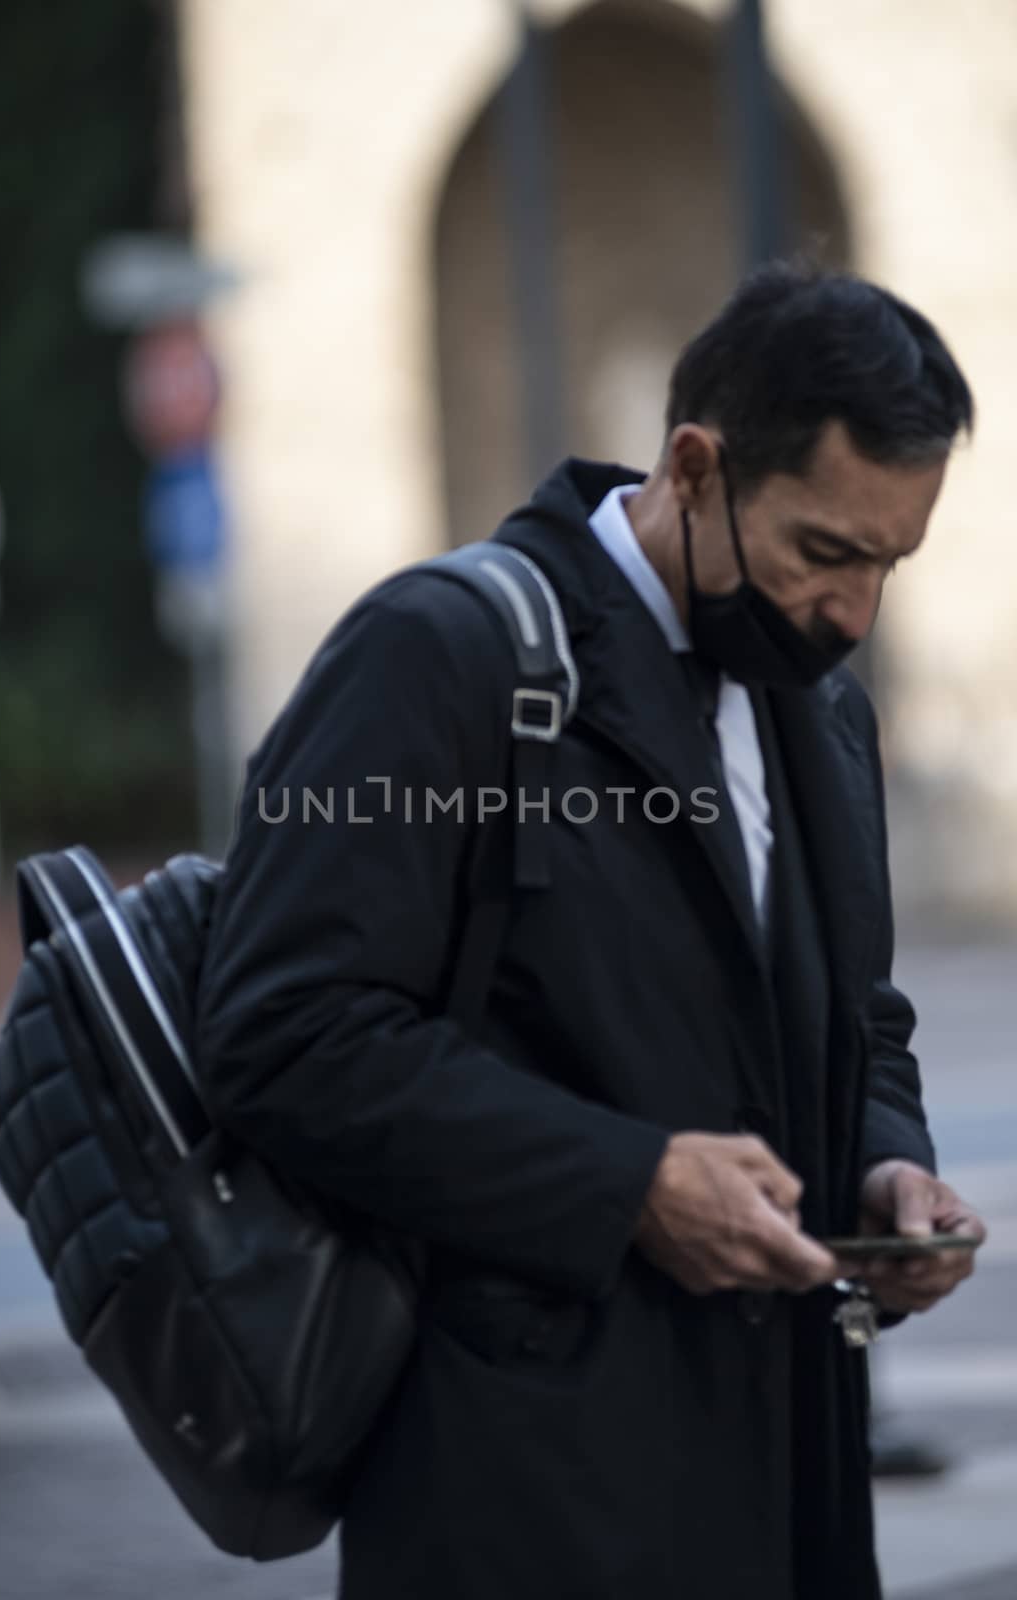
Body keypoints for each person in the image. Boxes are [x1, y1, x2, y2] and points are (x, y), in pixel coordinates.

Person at [195, 262, 987, 1600]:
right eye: (826, 552)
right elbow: (280, 1031)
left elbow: (862, 1019)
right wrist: (628, 1186)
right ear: (693, 465)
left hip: (790, 1482)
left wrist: (884, 1171)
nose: (855, 615)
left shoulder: (824, 707)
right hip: (525, 1500)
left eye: (889, 564)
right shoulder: (433, 654)